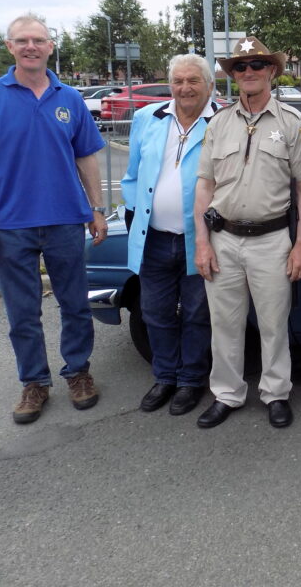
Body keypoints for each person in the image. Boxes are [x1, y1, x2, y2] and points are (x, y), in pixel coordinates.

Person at [0, 15, 107, 424]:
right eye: (22, 40)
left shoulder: (70, 98)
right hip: (11, 226)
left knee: (75, 305)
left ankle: (78, 373)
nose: (30, 46)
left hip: (65, 221)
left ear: (49, 47)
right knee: (22, 313)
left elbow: (86, 157)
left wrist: (96, 208)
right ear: (10, 47)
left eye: (38, 40)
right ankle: (35, 382)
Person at [192, 37, 301, 430]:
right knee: (224, 323)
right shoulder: (218, 124)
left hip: (272, 240)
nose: (249, 72)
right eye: (242, 67)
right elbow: (205, 186)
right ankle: (226, 393)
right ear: (233, 75)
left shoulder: (292, 123)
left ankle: (276, 393)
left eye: (258, 65)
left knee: (273, 323)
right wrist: (201, 242)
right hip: (223, 238)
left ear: (272, 72)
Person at [122, 54, 220, 416]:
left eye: (193, 80)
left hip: (201, 237)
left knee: (197, 312)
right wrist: (133, 216)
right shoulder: (149, 118)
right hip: (154, 236)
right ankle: (164, 375)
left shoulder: (221, 120)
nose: (184, 88)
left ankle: (191, 380)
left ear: (209, 85)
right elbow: (132, 174)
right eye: (178, 81)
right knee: (155, 311)